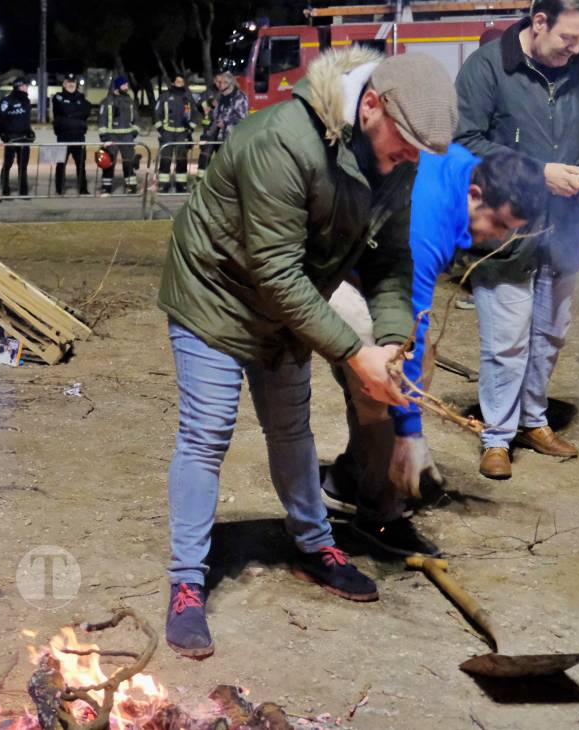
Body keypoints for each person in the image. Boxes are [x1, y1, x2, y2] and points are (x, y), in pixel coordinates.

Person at [157, 48, 458, 658]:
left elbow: (390, 260)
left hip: (289, 303)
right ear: (370, 106)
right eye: (406, 145)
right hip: (216, 295)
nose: (412, 160)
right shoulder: (283, 140)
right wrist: (353, 352)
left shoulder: (395, 159)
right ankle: (186, 581)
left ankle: (315, 544)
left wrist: (390, 341)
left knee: (292, 429)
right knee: (207, 433)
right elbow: (274, 271)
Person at [323, 147, 547, 556]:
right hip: (330, 271)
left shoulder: (466, 171)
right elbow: (409, 327)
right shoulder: (430, 221)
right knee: (385, 388)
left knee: (415, 374)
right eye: (499, 224)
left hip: (375, 269)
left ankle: (348, 479)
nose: (499, 238)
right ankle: (379, 514)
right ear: (475, 194)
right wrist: (409, 433)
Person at [454, 0, 579, 479]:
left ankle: (532, 420)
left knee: (549, 334)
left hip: (564, 228)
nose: (577, 48)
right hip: (505, 231)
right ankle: (497, 436)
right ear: (540, 22)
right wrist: (537, 172)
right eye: (568, 37)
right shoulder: (487, 67)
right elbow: (463, 141)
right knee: (506, 342)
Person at [196, 72, 248, 175]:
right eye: (220, 82)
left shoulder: (239, 96)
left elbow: (241, 118)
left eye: (224, 82)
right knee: (205, 157)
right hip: (215, 133)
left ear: (231, 83)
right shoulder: (220, 95)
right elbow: (214, 112)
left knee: (227, 162)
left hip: (230, 135)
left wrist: (225, 123)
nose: (220, 85)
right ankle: (201, 180)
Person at [153, 74, 199, 193]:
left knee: (182, 160)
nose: (180, 84)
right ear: (172, 83)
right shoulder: (164, 97)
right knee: (165, 159)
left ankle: (181, 185)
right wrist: (161, 129)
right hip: (167, 133)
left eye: (182, 82)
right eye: (178, 82)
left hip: (182, 134)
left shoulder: (188, 97)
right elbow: (156, 114)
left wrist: (190, 129)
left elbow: (195, 115)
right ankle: (163, 185)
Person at [97, 76, 139, 195]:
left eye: (127, 85)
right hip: (112, 136)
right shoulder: (107, 101)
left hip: (127, 136)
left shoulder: (129, 101)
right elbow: (102, 120)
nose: (126, 87)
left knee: (129, 161)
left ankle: (131, 186)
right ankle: (106, 187)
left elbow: (136, 118)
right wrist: (104, 137)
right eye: (124, 85)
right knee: (109, 162)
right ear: (117, 86)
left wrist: (134, 132)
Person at [51, 73, 91, 196]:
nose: (71, 84)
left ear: (76, 84)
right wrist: (76, 111)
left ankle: (83, 189)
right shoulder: (58, 97)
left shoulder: (81, 97)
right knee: (61, 164)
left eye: (73, 82)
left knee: (81, 164)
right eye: (68, 82)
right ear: (64, 84)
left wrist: (70, 113)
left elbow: (87, 110)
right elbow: (64, 109)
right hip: (63, 136)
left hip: (78, 136)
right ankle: (59, 189)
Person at [0, 77, 35, 198]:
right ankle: (5, 189)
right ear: (18, 87)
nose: (26, 88)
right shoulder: (7, 101)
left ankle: (23, 191)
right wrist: (3, 134)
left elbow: (25, 120)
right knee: (8, 164)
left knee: (23, 165)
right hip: (11, 138)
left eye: (26, 86)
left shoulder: (26, 101)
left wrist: (30, 131)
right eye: (24, 86)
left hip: (24, 138)